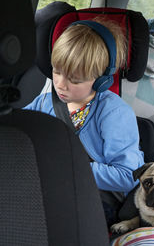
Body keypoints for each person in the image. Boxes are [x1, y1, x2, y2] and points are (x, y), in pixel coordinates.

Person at [24, 18, 144, 226]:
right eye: (56, 71)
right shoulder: (44, 101)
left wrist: (65, 168)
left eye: (75, 80)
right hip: (50, 188)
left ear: (101, 80)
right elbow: (19, 128)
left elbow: (127, 175)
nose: (60, 85)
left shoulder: (113, 112)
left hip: (95, 199)